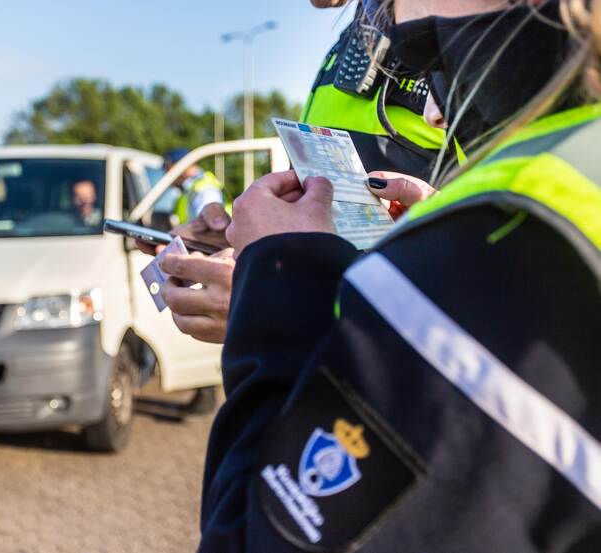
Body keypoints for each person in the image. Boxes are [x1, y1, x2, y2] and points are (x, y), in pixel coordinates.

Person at [198, 0, 601, 551]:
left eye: (441, 59)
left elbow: (250, 537)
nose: (438, 112)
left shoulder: (518, 237)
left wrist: (277, 282)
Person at [158, 0, 450, 345]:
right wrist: (248, 243)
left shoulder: (470, 27)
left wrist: (276, 295)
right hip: (335, 367)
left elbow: (499, 264)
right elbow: (341, 220)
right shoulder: (352, 40)